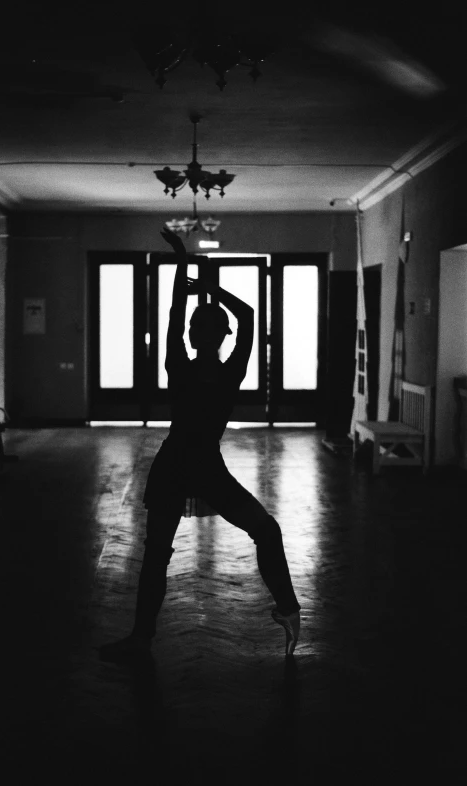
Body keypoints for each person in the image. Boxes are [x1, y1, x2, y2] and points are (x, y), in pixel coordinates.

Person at [99, 227, 301, 662]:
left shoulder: (184, 364)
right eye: (197, 327)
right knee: (264, 531)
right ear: (221, 336)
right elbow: (244, 315)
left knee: (157, 555)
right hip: (201, 467)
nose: (196, 331)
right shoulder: (229, 372)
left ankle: (141, 637)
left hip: (181, 465)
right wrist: (207, 284)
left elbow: (178, 311)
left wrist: (186, 263)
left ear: (199, 336)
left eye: (198, 327)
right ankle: (287, 607)